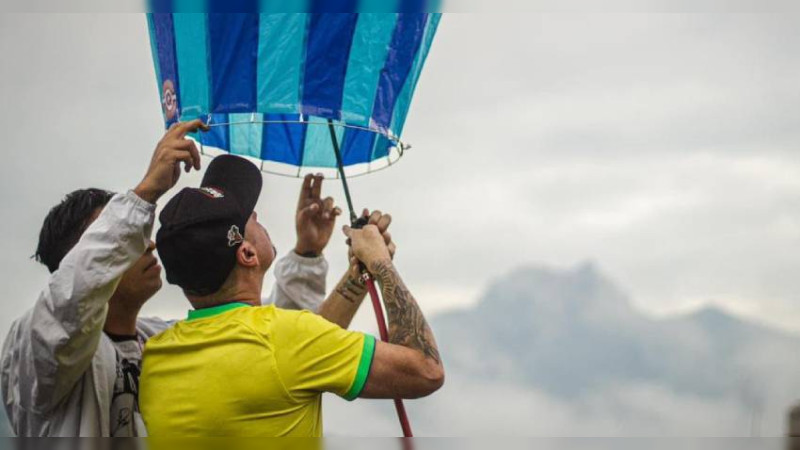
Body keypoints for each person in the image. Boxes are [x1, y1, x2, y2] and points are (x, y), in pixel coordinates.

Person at [0, 120, 339, 436]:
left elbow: (266, 338)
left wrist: (306, 256)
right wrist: (145, 192)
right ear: (81, 258)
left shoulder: (162, 341)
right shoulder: (35, 348)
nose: (146, 243)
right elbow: (70, 300)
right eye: (122, 236)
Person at [139, 154, 445, 437]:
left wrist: (355, 276)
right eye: (250, 215)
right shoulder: (286, 339)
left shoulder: (157, 355)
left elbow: (304, 351)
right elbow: (426, 370)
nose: (257, 213)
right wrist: (380, 263)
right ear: (247, 253)